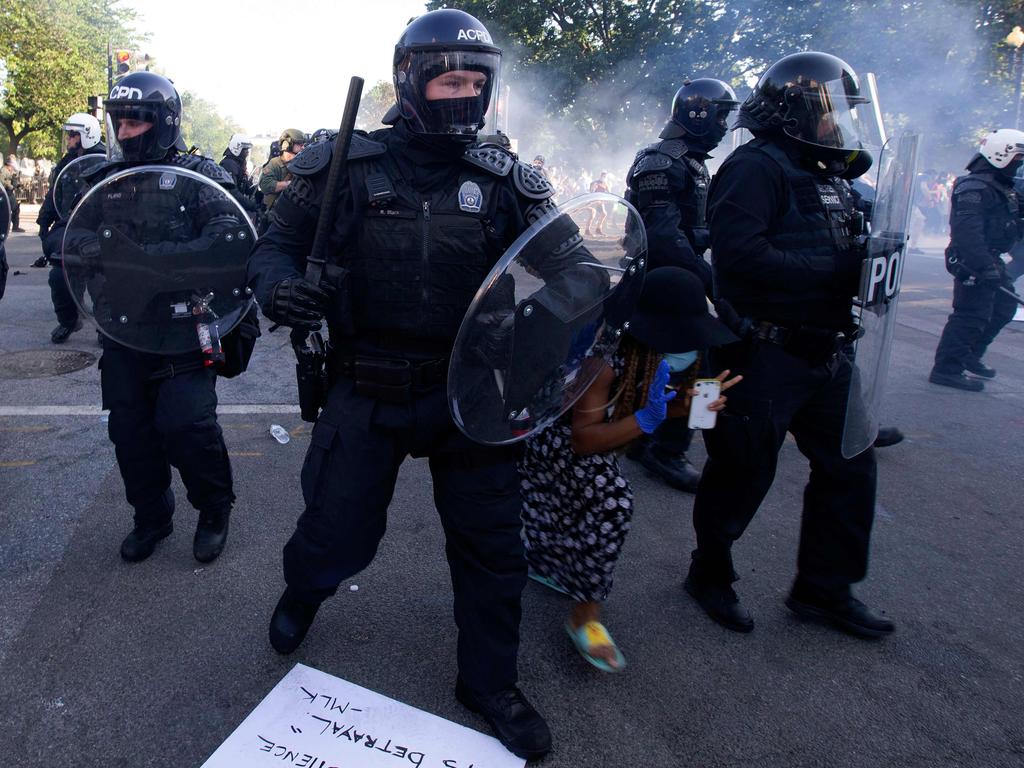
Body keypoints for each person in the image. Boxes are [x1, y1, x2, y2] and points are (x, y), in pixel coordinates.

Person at [248, 9, 553, 760]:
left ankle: (488, 680)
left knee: (491, 549)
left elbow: (564, 270)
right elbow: (273, 247)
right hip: (368, 382)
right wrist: (280, 289)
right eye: (452, 79)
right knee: (335, 527)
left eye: (478, 82)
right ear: (412, 80)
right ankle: (306, 591)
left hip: (473, 393)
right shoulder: (343, 164)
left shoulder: (506, 181)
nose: (466, 95)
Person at [686, 52, 894, 640]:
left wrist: (877, 260)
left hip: (829, 349)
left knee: (852, 466)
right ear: (797, 110)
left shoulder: (832, 174)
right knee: (743, 471)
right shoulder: (755, 168)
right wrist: (834, 266)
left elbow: (849, 251)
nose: (840, 122)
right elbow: (740, 257)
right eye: (830, 110)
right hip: (765, 351)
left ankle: (825, 589)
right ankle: (710, 572)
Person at [62, 72, 242, 564]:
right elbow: (69, 236)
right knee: (130, 431)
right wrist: (100, 252)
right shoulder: (100, 180)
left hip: (185, 325)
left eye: (136, 122)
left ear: (163, 122)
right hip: (125, 328)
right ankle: (151, 517)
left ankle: (213, 509)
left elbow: (229, 237)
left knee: (187, 425)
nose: (125, 132)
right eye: (119, 121)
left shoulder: (200, 177)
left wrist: (148, 263)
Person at [521, 267, 739, 672]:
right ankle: (584, 618)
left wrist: (683, 406)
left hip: (564, 442)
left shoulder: (645, 353)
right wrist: (655, 416)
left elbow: (638, 407)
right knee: (610, 502)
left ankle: (547, 565)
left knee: (566, 504)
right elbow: (584, 439)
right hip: (551, 444)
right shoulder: (601, 363)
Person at [624, 77, 739, 492]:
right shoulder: (662, 160)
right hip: (664, 279)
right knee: (702, 370)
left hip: (679, 276)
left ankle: (645, 438)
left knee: (663, 366)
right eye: (722, 116)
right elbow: (664, 235)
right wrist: (711, 283)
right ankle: (669, 449)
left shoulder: (689, 159)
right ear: (699, 114)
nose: (726, 126)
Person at [930, 129, 1024, 392]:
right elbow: (966, 233)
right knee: (971, 315)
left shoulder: (1002, 187)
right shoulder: (974, 187)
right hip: (973, 259)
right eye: (1017, 159)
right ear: (1000, 154)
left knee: (1003, 308)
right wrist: (984, 267)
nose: (1019, 165)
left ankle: (970, 355)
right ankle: (946, 369)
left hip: (990, 259)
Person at [37, 112, 106, 343]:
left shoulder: (107, 161)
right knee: (59, 276)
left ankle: (104, 327)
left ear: (87, 136)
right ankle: (68, 320)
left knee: (101, 281)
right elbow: (53, 194)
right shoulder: (66, 163)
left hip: (99, 229)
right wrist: (44, 220)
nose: (68, 140)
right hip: (70, 227)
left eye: (73, 135)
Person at [258, 128, 305, 212]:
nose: (303, 147)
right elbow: (265, 185)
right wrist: (289, 184)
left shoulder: (299, 164)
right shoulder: (275, 163)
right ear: (288, 144)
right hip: (273, 214)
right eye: (299, 144)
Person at [0, 155, 24, 232]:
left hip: (9, 193)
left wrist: (18, 185)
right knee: (9, 209)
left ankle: (15, 226)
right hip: (5, 192)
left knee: (15, 208)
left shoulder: (11, 171)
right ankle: (12, 227)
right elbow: (2, 181)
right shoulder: (3, 170)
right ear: (9, 163)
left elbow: (14, 181)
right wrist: (9, 185)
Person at [583, 171, 610, 236]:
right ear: (600, 176)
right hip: (593, 200)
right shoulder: (595, 182)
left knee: (604, 214)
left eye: (605, 176)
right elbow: (591, 191)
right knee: (592, 214)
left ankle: (598, 229)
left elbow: (608, 192)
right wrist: (593, 189)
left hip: (600, 201)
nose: (604, 177)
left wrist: (606, 198)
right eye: (603, 176)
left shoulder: (605, 184)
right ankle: (587, 230)